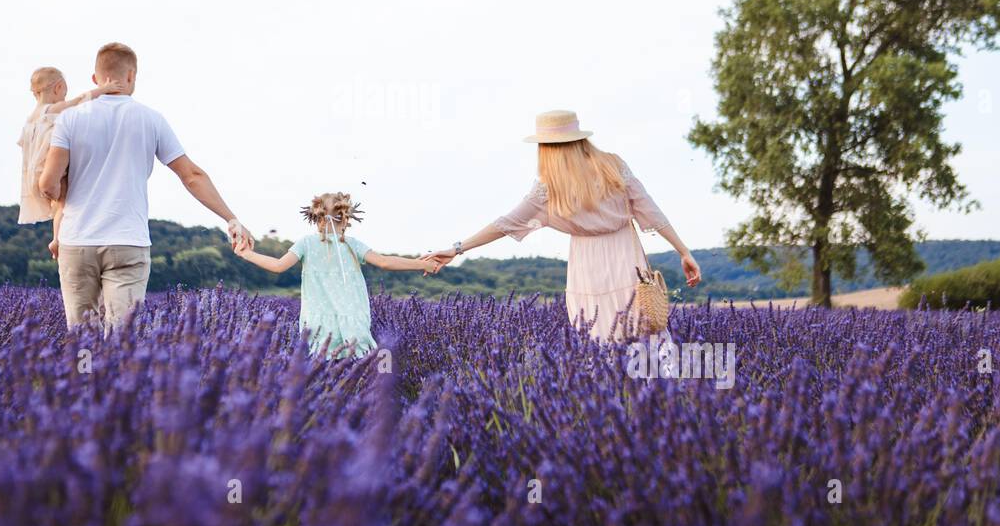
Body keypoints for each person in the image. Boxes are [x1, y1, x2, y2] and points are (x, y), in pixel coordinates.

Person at [423, 110, 701, 342]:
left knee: (597, 341)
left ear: (545, 148)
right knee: (646, 339)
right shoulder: (613, 165)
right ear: (580, 139)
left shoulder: (549, 187)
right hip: (627, 260)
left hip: (586, 267)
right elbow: (649, 208)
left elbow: (506, 223)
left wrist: (457, 249)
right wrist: (682, 251)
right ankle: (659, 401)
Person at [38, 42, 253, 331]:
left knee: (81, 336)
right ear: (131, 77)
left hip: (77, 241)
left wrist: (59, 206)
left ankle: (84, 375)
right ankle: (117, 376)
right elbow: (191, 175)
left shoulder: (70, 118)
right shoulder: (151, 119)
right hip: (128, 241)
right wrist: (231, 218)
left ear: (94, 78)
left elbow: (48, 184)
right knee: (122, 337)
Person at [232, 191, 438, 358]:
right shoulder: (352, 244)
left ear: (317, 218)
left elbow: (278, 266)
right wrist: (421, 264)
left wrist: (247, 254)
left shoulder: (306, 243)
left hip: (318, 321)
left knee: (321, 369)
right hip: (353, 317)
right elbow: (385, 262)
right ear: (346, 218)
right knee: (361, 365)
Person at [17, 66, 126, 258]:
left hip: (33, 173)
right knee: (63, 204)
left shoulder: (30, 119)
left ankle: (57, 239)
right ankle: (57, 240)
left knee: (59, 205)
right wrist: (103, 89)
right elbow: (79, 102)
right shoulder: (50, 110)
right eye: (64, 94)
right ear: (58, 88)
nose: (65, 99)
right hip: (48, 168)